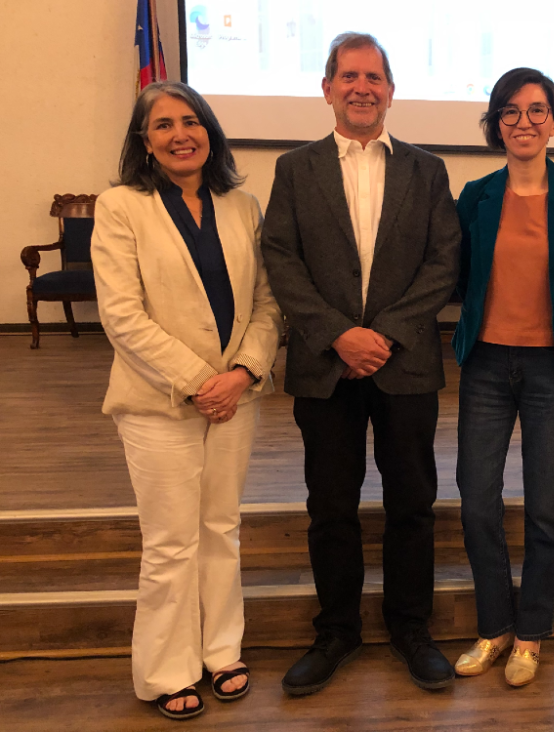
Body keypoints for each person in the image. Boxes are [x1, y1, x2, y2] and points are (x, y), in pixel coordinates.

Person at [261, 32, 461, 694]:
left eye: (374, 77)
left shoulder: (427, 170)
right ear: (327, 88)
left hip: (405, 366)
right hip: (326, 367)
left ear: (390, 92)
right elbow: (281, 258)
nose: (362, 88)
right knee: (330, 506)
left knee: (413, 503)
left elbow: (443, 262)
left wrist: (385, 337)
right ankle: (337, 631)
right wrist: (339, 335)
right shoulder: (295, 168)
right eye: (349, 76)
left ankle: (411, 628)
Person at [90, 81, 282, 719]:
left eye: (191, 121)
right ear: (144, 142)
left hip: (236, 398)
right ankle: (167, 670)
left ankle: (222, 650)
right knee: (171, 542)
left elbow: (267, 302)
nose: (181, 135)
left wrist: (244, 373)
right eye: (164, 125)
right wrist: (203, 381)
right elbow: (122, 316)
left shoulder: (242, 206)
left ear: (210, 132)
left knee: (221, 528)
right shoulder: (120, 207)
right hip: (159, 402)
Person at [450, 68, 554, 686]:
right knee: (477, 503)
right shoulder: (476, 196)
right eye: (510, 111)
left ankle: (531, 634)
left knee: (546, 507)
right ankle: (494, 627)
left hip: (552, 369)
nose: (524, 121)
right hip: (486, 365)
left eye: (537, 110)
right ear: (496, 124)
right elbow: (463, 276)